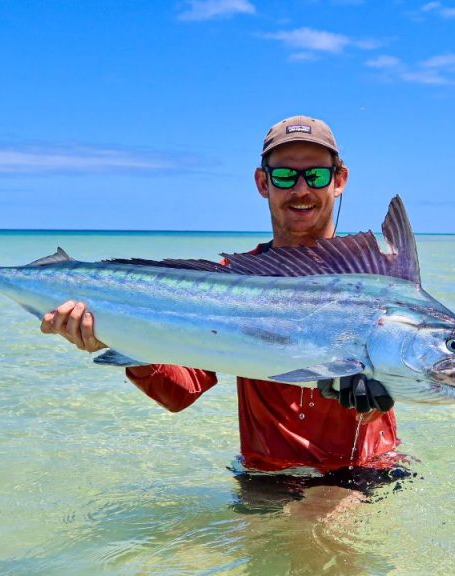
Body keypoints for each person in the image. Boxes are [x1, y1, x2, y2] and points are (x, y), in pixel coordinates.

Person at [40, 116, 405, 487]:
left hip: (360, 474)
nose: (300, 189)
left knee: (313, 528)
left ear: (338, 180)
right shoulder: (231, 279)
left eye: (315, 176)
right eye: (284, 177)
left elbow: (426, 372)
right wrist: (116, 337)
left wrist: (378, 395)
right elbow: (180, 393)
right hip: (263, 478)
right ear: (263, 183)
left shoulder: (373, 284)